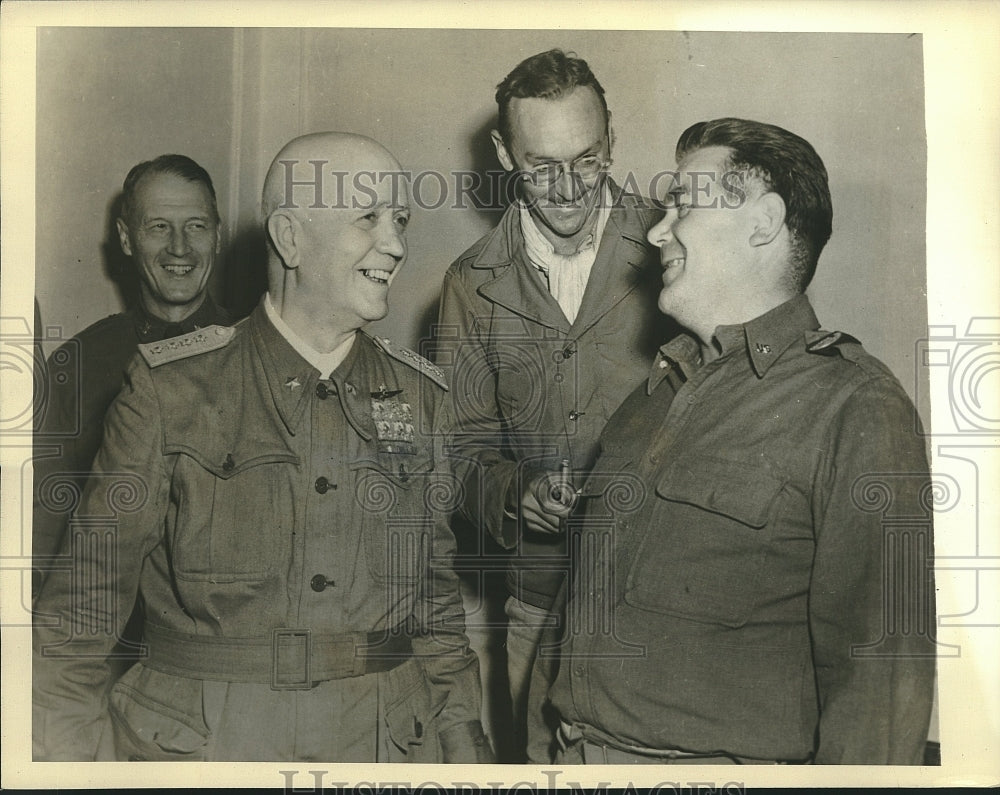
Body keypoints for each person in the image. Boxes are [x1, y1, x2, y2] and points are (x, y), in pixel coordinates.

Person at [32, 132, 492, 763]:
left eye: (401, 221)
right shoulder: (170, 389)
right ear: (290, 237)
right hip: (209, 749)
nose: (396, 245)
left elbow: (435, 607)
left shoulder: (419, 396)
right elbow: (83, 609)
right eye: (369, 219)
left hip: (384, 743)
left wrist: (466, 748)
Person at [549, 117, 937, 765]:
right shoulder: (652, 397)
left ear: (763, 221)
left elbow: (882, 679)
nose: (655, 230)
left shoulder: (855, 406)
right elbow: (578, 605)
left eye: (682, 203)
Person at [435, 49, 674, 762]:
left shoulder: (675, 250)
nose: (568, 187)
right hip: (538, 601)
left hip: (664, 598)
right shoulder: (469, 284)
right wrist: (516, 496)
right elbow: (458, 452)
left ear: (612, 141)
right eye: (541, 166)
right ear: (505, 152)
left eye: (588, 158)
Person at [33, 155, 231, 596]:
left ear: (218, 236)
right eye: (158, 226)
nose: (179, 247)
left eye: (196, 226)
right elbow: (41, 528)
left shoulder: (257, 353)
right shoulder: (78, 363)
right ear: (126, 238)